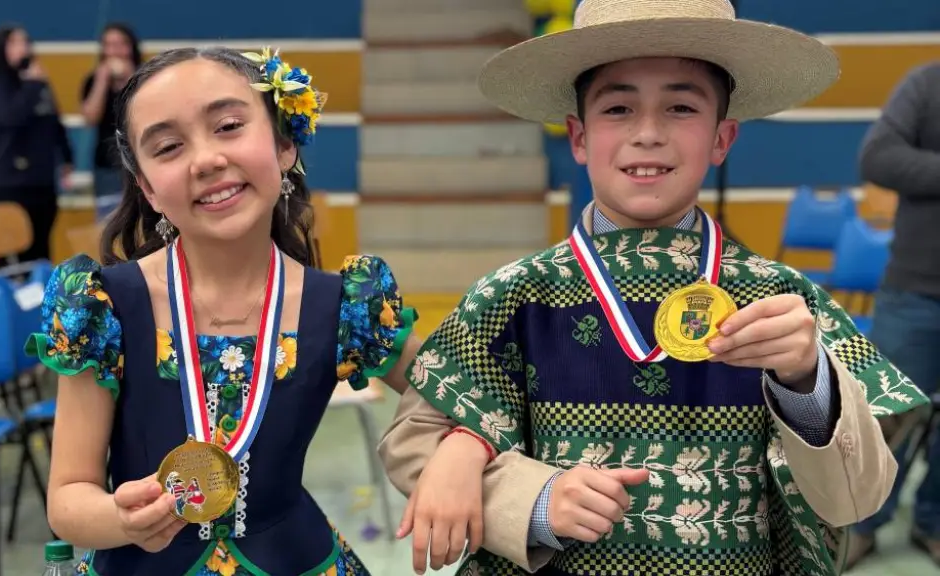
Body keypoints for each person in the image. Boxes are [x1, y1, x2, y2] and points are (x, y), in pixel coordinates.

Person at [377, 1, 929, 575]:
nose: (648, 133)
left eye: (681, 107)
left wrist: (807, 381)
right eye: (618, 107)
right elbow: (415, 441)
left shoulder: (782, 304)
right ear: (578, 136)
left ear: (722, 138)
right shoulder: (512, 297)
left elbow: (859, 498)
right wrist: (530, 499)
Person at [25, 47, 483, 575]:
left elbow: (469, 398)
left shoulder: (347, 307)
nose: (206, 160)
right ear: (148, 187)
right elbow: (67, 498)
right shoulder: (101, 305)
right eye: (170, 146)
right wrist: (118, 519)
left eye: (228, 126)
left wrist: (462, 450)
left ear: (284, 143)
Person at [845, 62, 940, 568]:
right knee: (884, 418)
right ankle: (861, 525)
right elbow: (878, 157)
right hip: (915, 291)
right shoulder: (927, 85)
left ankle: (935, 524)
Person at [0, 24, 73, 265]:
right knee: (11, 258)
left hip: (41, 181)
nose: (23, 47)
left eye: (25, 41)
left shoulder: (37, 79)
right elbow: (9, 116)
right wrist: (32, 85)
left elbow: (53, 118)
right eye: (15, 42)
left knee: (40, 255)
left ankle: (38, 302)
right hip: (9, 182)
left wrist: (66, 157)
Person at [81, 22, 142, 222]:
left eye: (120, 44)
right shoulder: (93, 80)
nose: (114, 50)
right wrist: (102, 81)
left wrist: (130, 79)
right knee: (109, 222)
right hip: (107, 165)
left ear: (130, 47)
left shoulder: (145, 78)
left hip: (141, 161)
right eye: (109, 45)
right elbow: (90, 118)